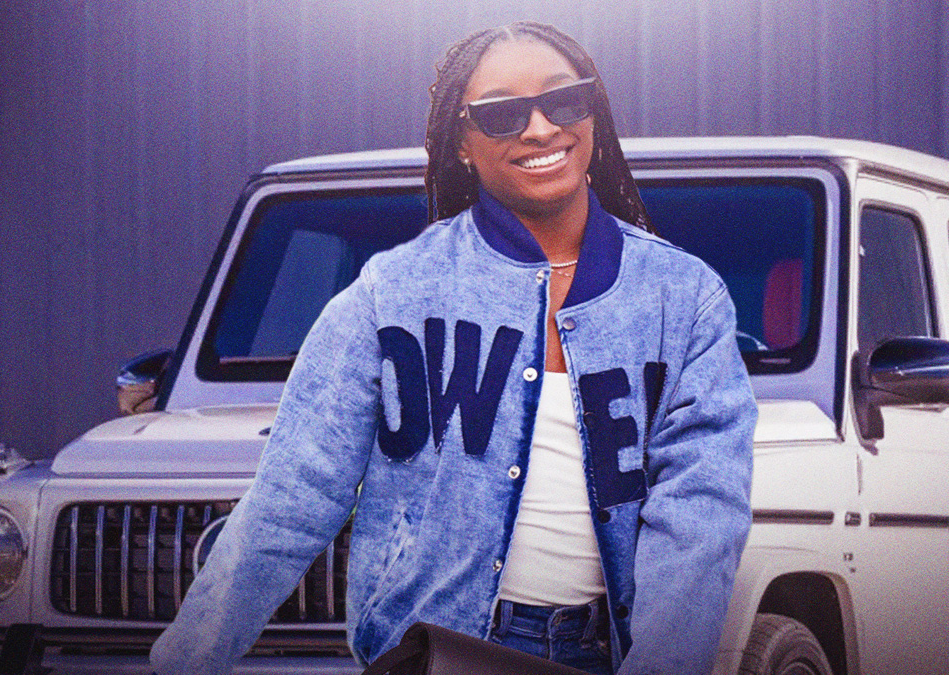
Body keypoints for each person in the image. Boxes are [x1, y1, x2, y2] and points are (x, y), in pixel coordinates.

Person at [150, 20, 755, 675]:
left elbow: (701, 513)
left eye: (564, 100)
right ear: (463, 142)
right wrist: (184, 662)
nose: (540, 128)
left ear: (594, 115)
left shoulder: (684, 296)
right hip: (428, 655)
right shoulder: (391, 292)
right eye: (501, 114)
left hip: (602, 656)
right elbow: (292, 499)